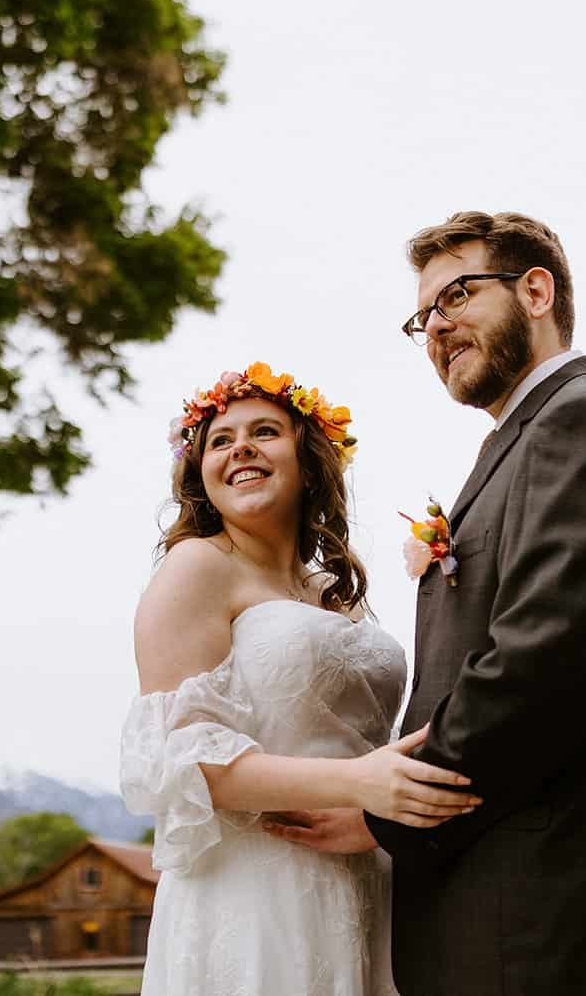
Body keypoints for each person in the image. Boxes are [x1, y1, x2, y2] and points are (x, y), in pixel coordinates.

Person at [268, 212, 586, 995]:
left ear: (537, 290)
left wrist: (387, 812)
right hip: (522, 904)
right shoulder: (533, 437)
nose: (437, 328)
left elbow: (542, 664)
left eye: (456, 296)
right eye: (423, 318)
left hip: (563, 910)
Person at [119, 362, 480, 996]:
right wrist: (359, 783)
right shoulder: (196, 569)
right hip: (257, 891)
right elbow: (181, 762)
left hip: (369, 877)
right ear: (200, 472)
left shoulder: (334, 593)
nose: (241, 450)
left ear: (308, 461)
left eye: (265, 431)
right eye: (220, 440)